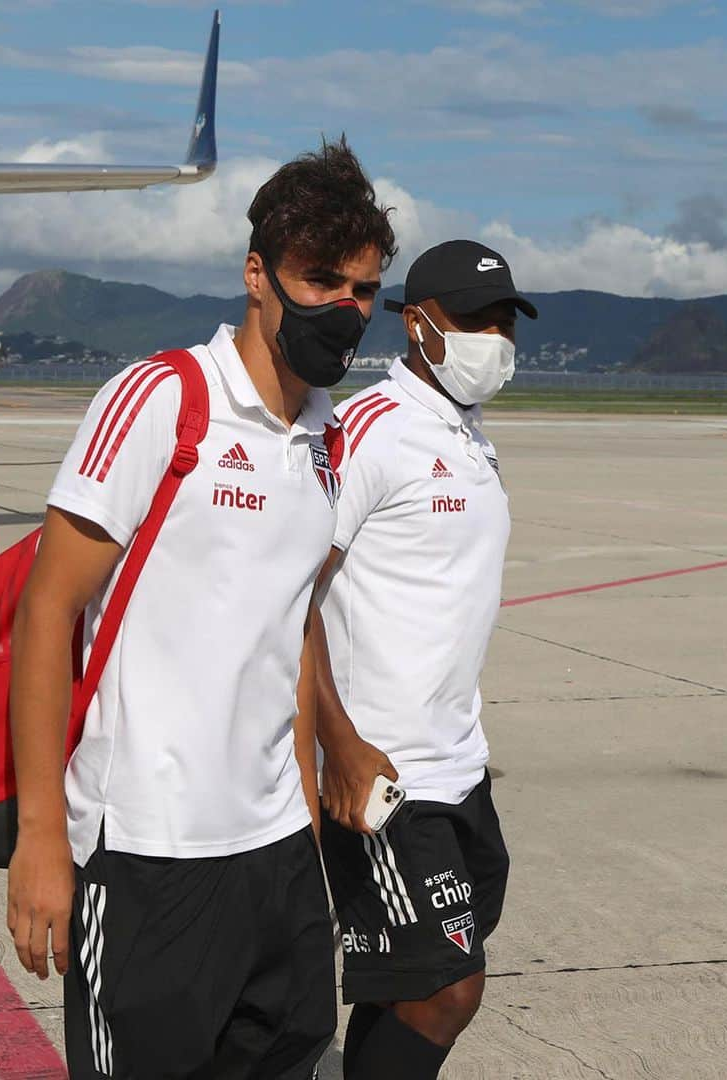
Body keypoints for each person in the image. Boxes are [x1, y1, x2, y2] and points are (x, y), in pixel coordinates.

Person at [5, 137, 396, 1079]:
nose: (345, 310)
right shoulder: (161, 400)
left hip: (275, 858)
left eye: (364, 289)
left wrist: (304, 831)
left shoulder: (328, 439)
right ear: (257, 276)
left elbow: (290, 634)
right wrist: (41, 838)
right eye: (320, 281)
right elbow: (46, 611)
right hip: (146, 853)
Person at [313, 240, 538, 1079]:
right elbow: (295, 594)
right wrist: (338, 746)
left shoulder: (469, 437)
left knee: (405, 986)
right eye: (476, 319)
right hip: (384, 772)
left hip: (458, 767)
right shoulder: (368, 430)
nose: (496, 336)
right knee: (449, 988)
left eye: (506, 321)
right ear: (417, 324)